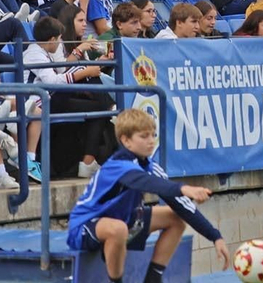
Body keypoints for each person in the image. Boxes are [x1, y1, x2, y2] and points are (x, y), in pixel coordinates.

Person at [66, 108, 227, 283]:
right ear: (126, 140)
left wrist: (215, 236)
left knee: (175, 218)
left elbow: (179, 202)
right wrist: (183, 188)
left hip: (125, 220)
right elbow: (143, 182)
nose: (151, 141)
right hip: (85, 227)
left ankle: (153, 278)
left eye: (153, 135)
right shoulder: (117, 165)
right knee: (118, 229)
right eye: (144, 136)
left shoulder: (150, 166)